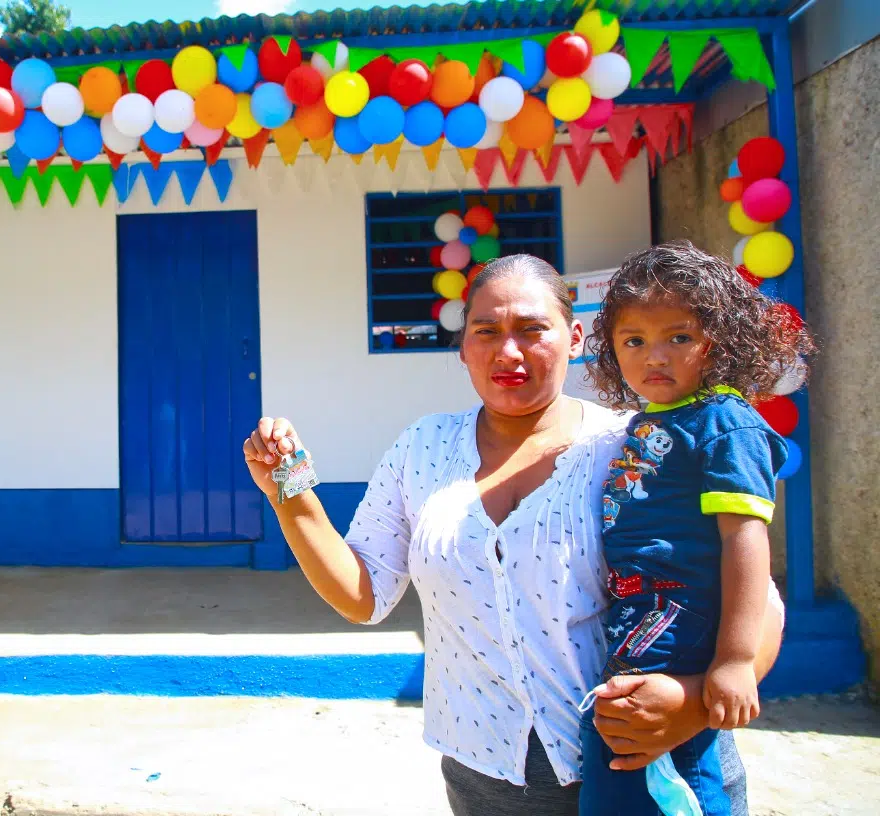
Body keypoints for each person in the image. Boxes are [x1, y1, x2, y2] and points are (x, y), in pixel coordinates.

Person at [242, 254, 787, 815]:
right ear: (462, 347)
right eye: (486, 331)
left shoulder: (634, 447)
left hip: (647, 765)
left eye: (532, 329)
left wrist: (693, 704)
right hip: (485, 781)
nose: (508, 352)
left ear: (575, 339)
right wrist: (289, 492)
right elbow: (363, 596)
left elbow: (761, 602)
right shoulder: (421, 449)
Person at [576, 242, 814, 815]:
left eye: (678, 337)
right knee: (620, 738)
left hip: (680, 615)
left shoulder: (723, 423)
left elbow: (744, 538)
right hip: (640, 610)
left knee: (652, 741)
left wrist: (734, 660)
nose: (654, 356)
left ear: (720, 341)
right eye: (634, 341)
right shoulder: (654, 420)